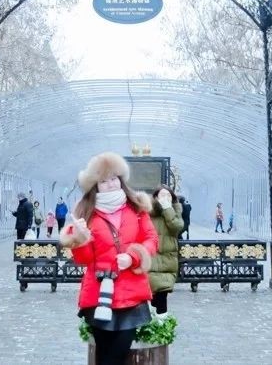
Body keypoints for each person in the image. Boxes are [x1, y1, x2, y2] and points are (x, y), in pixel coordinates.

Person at [60, 152, 158, 365]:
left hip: (131, 293)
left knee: (119, 352)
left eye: (114, 178)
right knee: (104, 354)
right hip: (99, 294)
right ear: (96, 186)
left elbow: (151, 240)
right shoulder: (85, 213)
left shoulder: (137, 208)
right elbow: (84, 260)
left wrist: (133, 257)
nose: (111, 184)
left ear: (121, 180)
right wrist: (82, 239)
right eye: (104, 181)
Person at [148, 185, 184, 314]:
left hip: (167, 258)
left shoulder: (174, 211)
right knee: (151, 292)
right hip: (151, 255)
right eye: (162, 195)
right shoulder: (148, 211)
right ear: (156, 197)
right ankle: (151, 324)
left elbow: (177, 227)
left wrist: (167, 209)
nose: (166, 197)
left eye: (168, 195)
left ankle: (161, 325)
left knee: (162, 293)